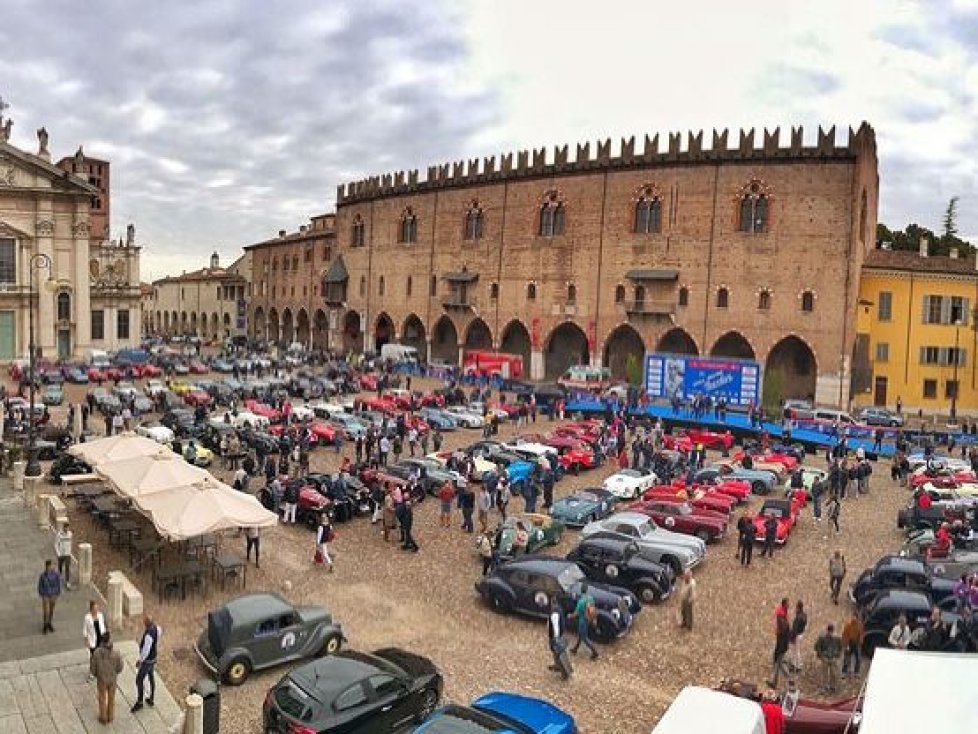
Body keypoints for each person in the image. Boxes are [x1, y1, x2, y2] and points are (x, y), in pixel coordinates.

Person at [91, 632, 124, 724]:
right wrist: (114, 673)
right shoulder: (116, 653)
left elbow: (93, 669)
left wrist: (98, 675)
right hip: (112, 680)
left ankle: (103, 717)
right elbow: (120, 667)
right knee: (111, 698)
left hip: (102, 680)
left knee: (102, 698)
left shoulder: (97, 653)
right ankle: (110, 716)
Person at [131, 615, 161, 712]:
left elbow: (146, 650)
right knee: (151, 677)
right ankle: (151, 698)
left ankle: (140, 702)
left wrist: (140, 661)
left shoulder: (148, 634)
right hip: (153, 658)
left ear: (146, 623)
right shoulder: (157, 628)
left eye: (144, 621)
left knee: (139, 680)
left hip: (147, 661)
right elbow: (158, 637)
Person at [569, 584, 599, 659]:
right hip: (588, 619)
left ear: (581, 591)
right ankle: (575, 649)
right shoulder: (590, 598)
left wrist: (570, 616)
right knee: (580, 634)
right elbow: (593, 608)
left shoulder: (581, 601)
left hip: (583, 621)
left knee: (584, 638)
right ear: (587, 590)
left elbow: (576, 613)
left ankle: (595, 652)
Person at [547, 598, 572, 680]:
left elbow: (555, 625)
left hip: (556, 637)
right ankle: (556, 665)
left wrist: (556, 638)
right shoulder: (559, 609)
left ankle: (564, 674)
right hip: (559, 635)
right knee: (555, 652)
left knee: (558, 654)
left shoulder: (554, 612)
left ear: (551, 603)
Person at [768, 599, 791, 688]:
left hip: (782, 647)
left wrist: (777, 653)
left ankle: (775, 681)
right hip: (782, 646)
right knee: (779, 664)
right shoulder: (783, 620)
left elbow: (780, 643)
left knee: (778, 663)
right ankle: (774, 681)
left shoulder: (782, 630)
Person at [814, 623, 842, 694]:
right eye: (830, 632)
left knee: (834, 673)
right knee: (825, 673)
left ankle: (833, 686)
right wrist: (821, 655)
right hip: (825, 657)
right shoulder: (822, 637)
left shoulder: (837, 638)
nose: (830, 633)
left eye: (831, 632)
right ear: (828, 631)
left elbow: (841, 647)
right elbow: (816, 646)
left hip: (833, 658)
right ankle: (826, 686)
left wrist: (837, 655)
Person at [38, 559, 62, 634]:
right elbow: (40, 585)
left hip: (53, 595)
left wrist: (57, 593)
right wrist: (42, 593)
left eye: (52, 565)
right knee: (45, 611)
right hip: (45, 595)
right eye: (50, 565)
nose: (51, 567)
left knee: (51, 610)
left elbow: (58, 584)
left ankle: (49, 623)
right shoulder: (42, 575)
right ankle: (45, 624)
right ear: (47, 566)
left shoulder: (56, 574)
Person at [841, 609, 864, 678]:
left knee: (858, 658)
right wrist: (846, 644)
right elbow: (845, 635)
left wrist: (860, 641)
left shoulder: (860, 625)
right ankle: (844, 672)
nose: (854, 618)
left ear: (857, 618)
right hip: (849, 642)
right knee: (846, 658)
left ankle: (856, 672)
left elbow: (862, 634)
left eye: (855, 617)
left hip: (856, 643)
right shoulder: (848, 625)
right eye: (853, 617)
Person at [83, 600, 106, 666]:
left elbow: (103, 625)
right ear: (91, 609)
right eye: (94, 609)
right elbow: (85, 629)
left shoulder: (100, 615)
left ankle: (99, 669)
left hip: (100, 638)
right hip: (92, 639)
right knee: (93, 656)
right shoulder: (87, 617)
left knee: (100, 655)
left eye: (97, 608)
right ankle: (92, 671)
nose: (96, 610)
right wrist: (86, 640)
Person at [788, 600, 807, 672]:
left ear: (798, 607)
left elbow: (795, 629)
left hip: (796, 635)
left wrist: (792, 637)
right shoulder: (804, 615)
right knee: (797, 650)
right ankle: (797, 665)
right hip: (801, 634)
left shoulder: (798, 617)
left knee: (794, 650)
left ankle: (796, 665)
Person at [54, 522, 73, 591]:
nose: (66, 529)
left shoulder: (70, 534)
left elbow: (71, 542)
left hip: (67, 554)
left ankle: (67, 581)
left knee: (67, 567)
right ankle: (59, 578)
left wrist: (70, 551)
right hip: (61, 554)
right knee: (60, 567)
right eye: (65, 527)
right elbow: (56, 544)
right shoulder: (59, 535)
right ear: (63, 527)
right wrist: (58, 553)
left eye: (67, 527)